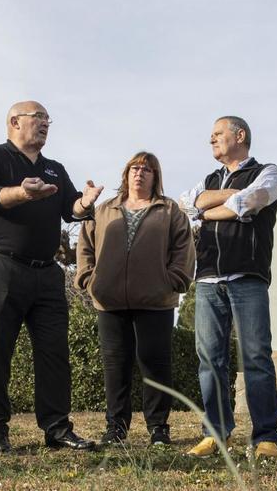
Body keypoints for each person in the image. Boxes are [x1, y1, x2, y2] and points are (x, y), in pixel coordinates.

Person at [0, 101, 103, 453]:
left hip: (46, 273)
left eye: (48, 119)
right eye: (39, 117)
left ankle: (57, 428)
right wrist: (21, 192)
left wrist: (85, 202)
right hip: (0, 267)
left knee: (54, 353)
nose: (45, 124)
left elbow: (70, 209)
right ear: (15, 121)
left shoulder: (54, 169)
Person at [178, 116, 277, 459]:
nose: (211, 140)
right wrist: (225, 196)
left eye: (218, 134)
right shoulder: (209, 179)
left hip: (247, 278)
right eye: (210, 136)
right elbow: (184, 204)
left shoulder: (268, 172)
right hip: (207, 278)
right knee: (210, 360)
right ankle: (214, 434)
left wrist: (206, 211)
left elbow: (250, 203)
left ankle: (266, 437)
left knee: (255, 358)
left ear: (240, 136)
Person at [75, 152, 194, 446]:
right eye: (134, 168)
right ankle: (116, 428)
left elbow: (184, 249)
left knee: (155, 363)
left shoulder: (169, 211)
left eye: (147, 169)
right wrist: (89, 280)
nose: (139, 173)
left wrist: (172, 281)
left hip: (156, 301)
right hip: (110, 300)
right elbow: (85, 245)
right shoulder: (103, 210)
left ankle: (158, 428)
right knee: (115, 364)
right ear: (126, 174)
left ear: (156, 177)